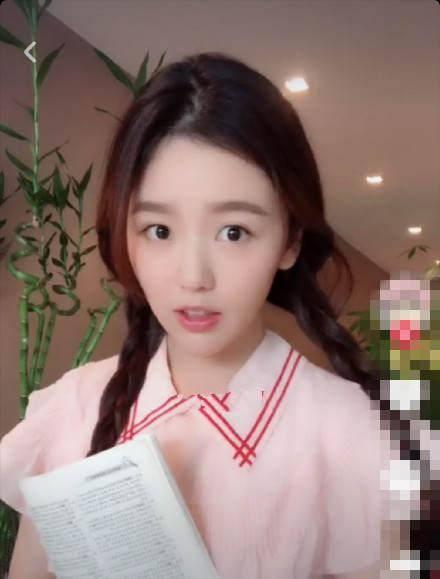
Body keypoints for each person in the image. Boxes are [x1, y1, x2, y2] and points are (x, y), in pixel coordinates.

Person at [1, 51, 389, 578]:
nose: (193, 277)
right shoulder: (70, 408)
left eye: (234, 232)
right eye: (159, 230)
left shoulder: (355, 436)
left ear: (290, 241)